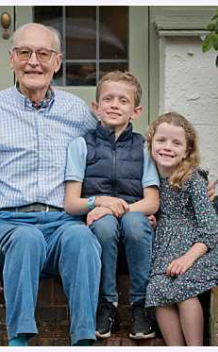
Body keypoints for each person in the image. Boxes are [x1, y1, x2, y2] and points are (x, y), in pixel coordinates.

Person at [0, 22, 101, 346]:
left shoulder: (76, 112)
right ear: (12, 59)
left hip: (62, 220)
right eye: (25, 52)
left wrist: (167, 182)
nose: (33, 61)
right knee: (26, 238)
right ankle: (20, 339)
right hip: (8, 223)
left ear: (57, 62)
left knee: (82, 240)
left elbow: (107, 156)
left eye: (42, 53)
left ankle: (84, 339)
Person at [62, 70, 159, 340]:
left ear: (136, 111)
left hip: (135, 219)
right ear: (96, 107)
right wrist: (100, 205)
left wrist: (117, 208)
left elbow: (151, 201)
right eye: (108, 99)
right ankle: (108, 305)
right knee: (103, 225)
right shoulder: (81, 146)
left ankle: (140, 305)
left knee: (135, 223)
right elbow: (71, 202)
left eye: (123, 101)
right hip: (97, 221)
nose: (115, 105)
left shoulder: (144, 148)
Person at [143, 112, 218, 346]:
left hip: (203, 249)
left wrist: (188, 258)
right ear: (151, 143)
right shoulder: (151, 179)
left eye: (176, 143)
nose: (167, 147)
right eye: (161, 141)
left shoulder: (193, 179)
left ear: (187, 151)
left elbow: (211, 230)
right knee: (157, 289)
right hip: (169, 249)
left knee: (183, 288)